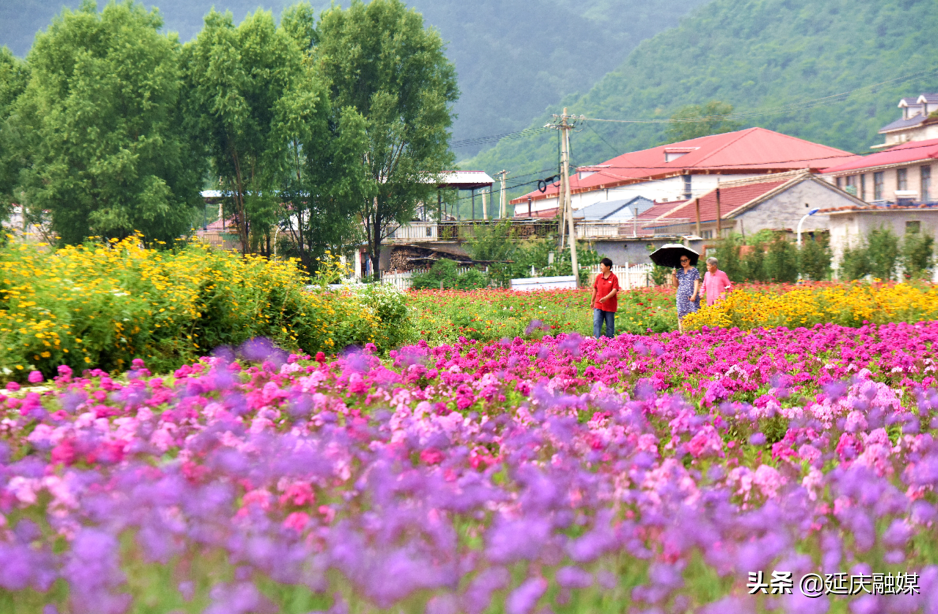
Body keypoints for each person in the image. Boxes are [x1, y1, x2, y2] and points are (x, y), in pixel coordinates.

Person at [590, 257, 620, 338]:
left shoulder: (614, 277)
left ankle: (609, 343)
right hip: (598, 304)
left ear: (608, 267)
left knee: (609, 326)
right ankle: (596, 341)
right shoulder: (599, 277)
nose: (600, 267)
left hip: (609, 305)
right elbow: (595, 288)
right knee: (596, 322)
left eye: (602, 266)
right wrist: (592, 301)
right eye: (600, 265)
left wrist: (606, 298)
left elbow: (615, 290)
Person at [671, 254, 700, 333]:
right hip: (681, 297)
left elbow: (696, 282)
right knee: (681, 316)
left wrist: (694, 295)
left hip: (691, 296)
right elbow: (676, 285)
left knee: (692, 315)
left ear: (689, 260)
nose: (683, 262)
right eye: (681, 261)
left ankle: (693, 333)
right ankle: (682, 334)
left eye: (685, 260)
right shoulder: (680, 271)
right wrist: (674, 275)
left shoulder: (694, 270)